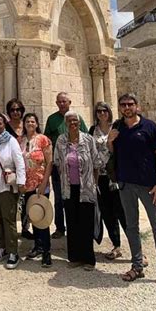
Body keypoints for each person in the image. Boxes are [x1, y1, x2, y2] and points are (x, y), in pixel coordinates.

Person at [108, 93, 156, 288]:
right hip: (126, 185)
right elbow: (113, 154)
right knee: (132, 227)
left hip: (148, 186)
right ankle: (137, 266)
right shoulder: (118, 127)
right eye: (123, 104)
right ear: (120, 108)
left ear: (137, 106)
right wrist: (110, 141)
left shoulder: (149, 127)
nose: (127, 107)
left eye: (130, 104)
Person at [54, 110, 101, 271]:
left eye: (75, 121)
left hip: (86, 188)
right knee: (72, 222)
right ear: (65, 124)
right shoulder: (61, 140)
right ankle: (74, 257)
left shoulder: (88, 139)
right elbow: (58, 162)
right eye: (70, 121)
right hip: (68, 188)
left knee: (86, 222)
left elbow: (96, 163)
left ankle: (88, 259)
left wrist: (94, 184)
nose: (73, 124)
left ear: (79, 122)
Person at [0, 112, 26, 269]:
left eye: (0, 123)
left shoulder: (11, 141)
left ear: (4, 124)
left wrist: (21, 182)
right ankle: (2, 247)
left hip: (6, 183)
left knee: (8, 218)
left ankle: (13, 251)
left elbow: (19, 162)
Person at [44, 92, 88, 239]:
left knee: (76, 196)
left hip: (76, 165)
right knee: (59, 198)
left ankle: (75, 226)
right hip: (59, 166)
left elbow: (86, 136)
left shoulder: (76, 117)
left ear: (69, 102)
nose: (62, 104)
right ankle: (60, 228)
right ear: (56, 103)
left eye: (64, 101)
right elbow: (47, 140)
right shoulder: (52, 119)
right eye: (59, 102)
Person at [89, 101, 127, 260]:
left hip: (115, 177)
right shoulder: (93, 130)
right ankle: (116, 245)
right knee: (107, 213)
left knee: (123, 212)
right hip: (101, 177)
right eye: (99, 111)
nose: (102, 113)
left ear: (109, 112)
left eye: (105, 110)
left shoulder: (117, 127)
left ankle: (136, 247)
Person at [20, 112, 53, 267]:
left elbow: (49, 162)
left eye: (33, 121)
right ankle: (38, 246)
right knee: (34, 216)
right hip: (27, 185)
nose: (30, 124)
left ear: (37, 123)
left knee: (43, 218)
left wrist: (44, 182)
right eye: (27, 121)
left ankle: (47, 251)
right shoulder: (21, 140)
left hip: (41, 184)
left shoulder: (43, 140)